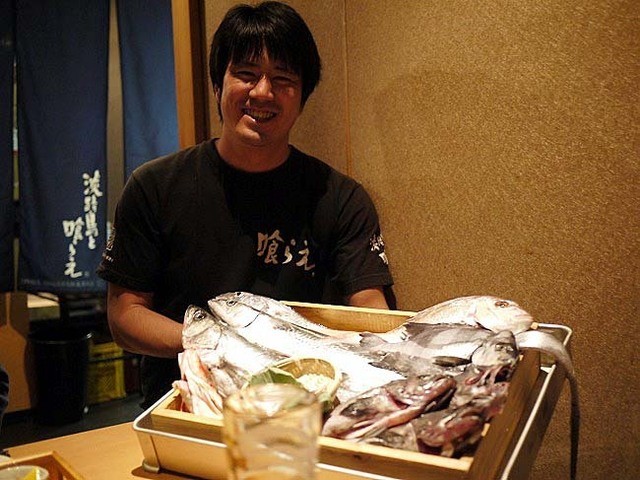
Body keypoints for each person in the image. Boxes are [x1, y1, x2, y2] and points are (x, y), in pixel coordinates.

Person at [97, 1, 395, 408]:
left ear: (303, 96)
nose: (263, 92)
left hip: (304, 409)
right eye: (246, 74)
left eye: (283, 78)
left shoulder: (341, 199)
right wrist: (217, 345)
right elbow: (125, 315)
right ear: (217, 85)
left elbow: (370, 309)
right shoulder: (154, 187)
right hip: (189, 402)